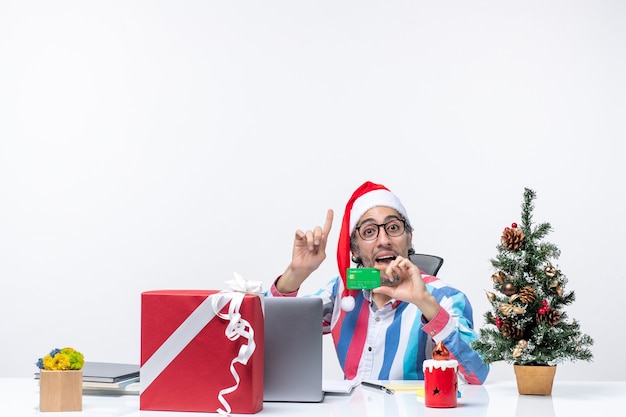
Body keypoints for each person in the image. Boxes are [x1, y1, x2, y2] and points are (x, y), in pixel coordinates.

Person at [267, 181, 489, 384]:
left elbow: (478, 373)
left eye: (393, 228)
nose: (384, 240)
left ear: (409, 238)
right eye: (369, 231)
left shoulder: (444, 298)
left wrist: (426, 304)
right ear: (354, 249)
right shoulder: (343, 291)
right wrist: (296, 273)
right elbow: (264, 336)